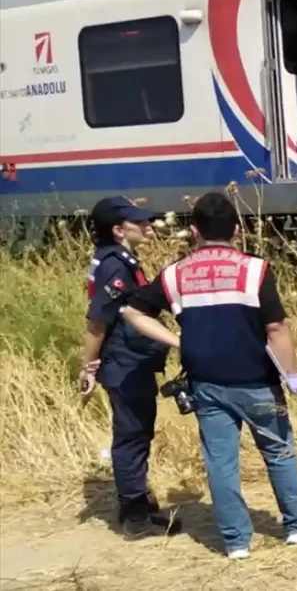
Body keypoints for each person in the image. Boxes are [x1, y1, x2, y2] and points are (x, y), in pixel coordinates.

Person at [121, 192, 297, 560]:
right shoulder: (256, 269)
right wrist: (292, 375)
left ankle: (235, 542)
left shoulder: (174, 274)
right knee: (278, 453)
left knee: (220, 462)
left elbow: (133, 312)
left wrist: (178, 341)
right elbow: (276, 328)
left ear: (194, 230)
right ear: (236, 229)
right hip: (258, 380)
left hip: (206, 383)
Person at [79, 196, 182, 539]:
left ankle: (138, 503)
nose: (149, 225)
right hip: (123, 362)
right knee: (131, 434)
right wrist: (88, 368)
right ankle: (135, 516)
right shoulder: (115, 266)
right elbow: (98, 322)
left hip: (129, 360)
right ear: (119, 230)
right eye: (140, 222)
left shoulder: (118, 258)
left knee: (138, 430)